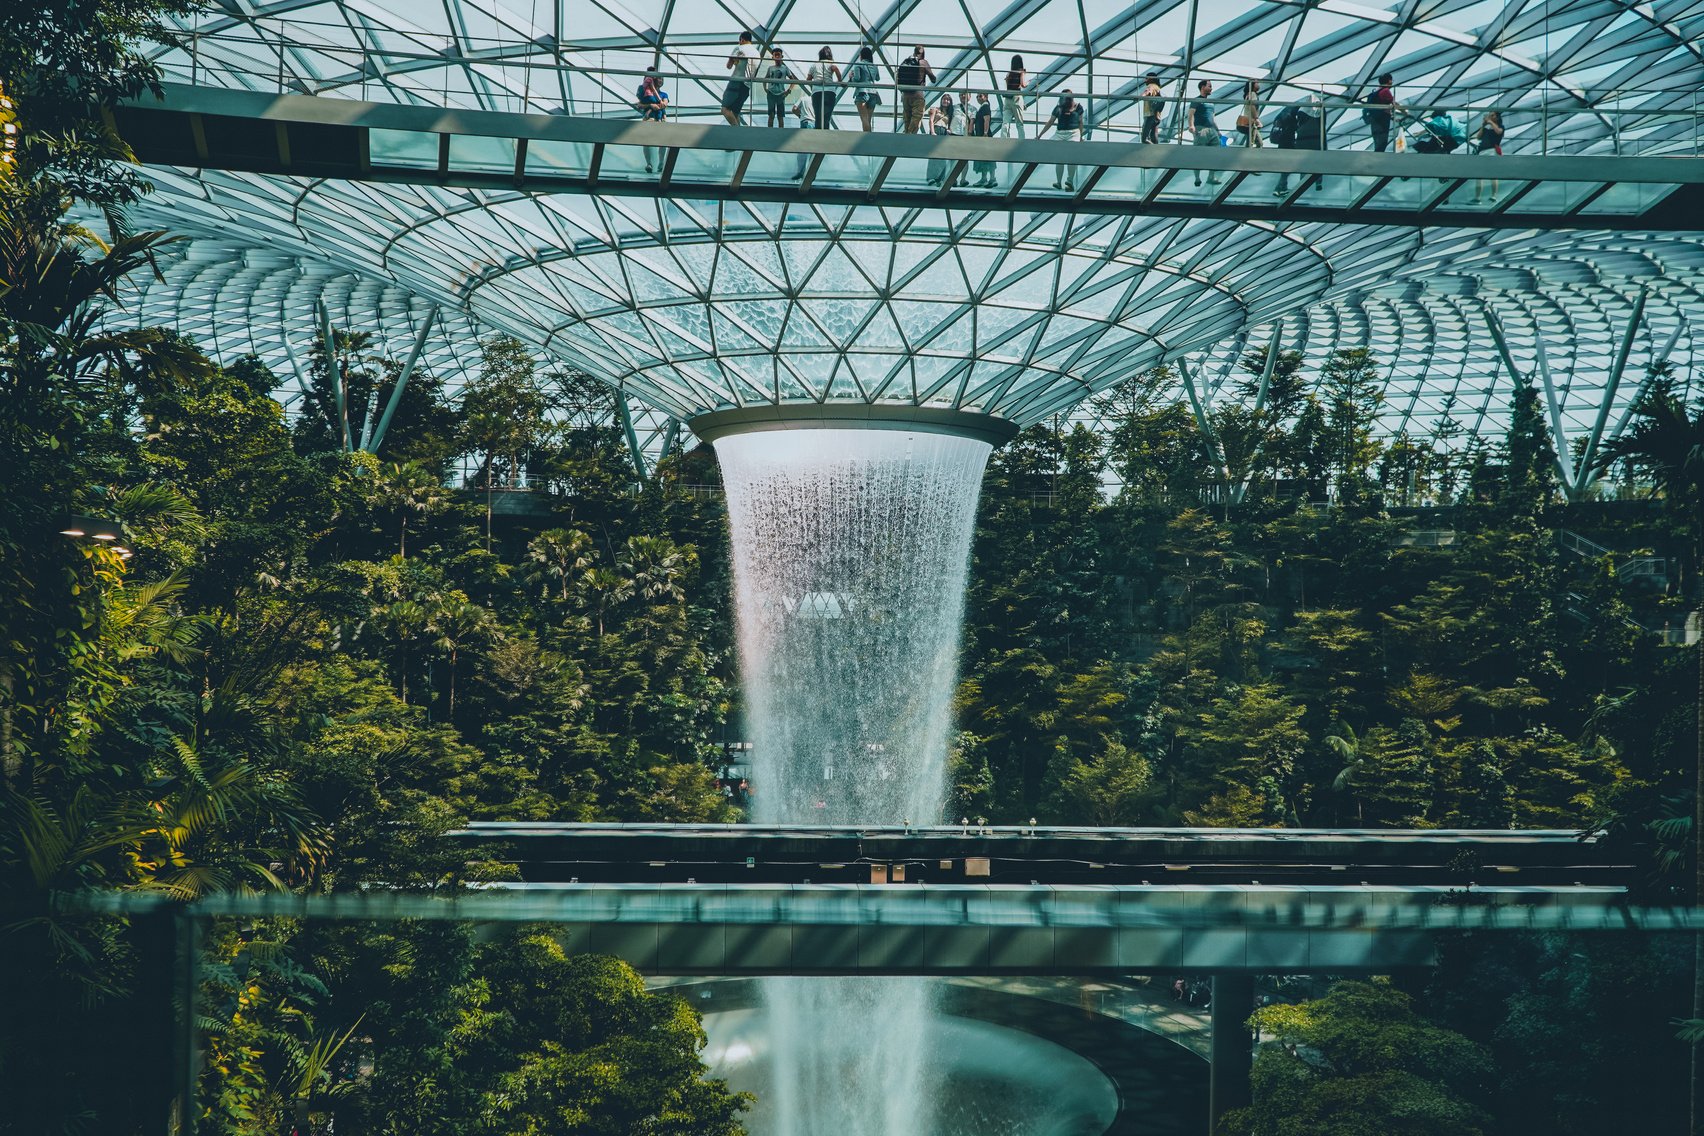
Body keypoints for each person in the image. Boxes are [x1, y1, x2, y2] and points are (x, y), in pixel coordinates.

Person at [1039, 89, 1084, 190]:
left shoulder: (1078, 107)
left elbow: (1080, 122)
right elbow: (1050, 121)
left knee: (1072, 157)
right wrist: (1040, 135)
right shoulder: (1059, 108)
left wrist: (1081, 136)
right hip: (1060, 133)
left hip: (1073, 133)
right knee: (1059, 159)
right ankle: (1059, 182)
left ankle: (1070, 181)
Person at [1188, 78, 1223, 186]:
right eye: (1209, 86)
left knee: (1215, 153)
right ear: (1203, 87)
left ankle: (1211, 177)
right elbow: (1191, 114)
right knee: (1199, 153)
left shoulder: (1211, 103)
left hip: (1212, 130)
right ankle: (1197, 178)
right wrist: (1191, 126)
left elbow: (1213, 118)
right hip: (1200, 128)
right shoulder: (1196, 100)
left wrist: (1218, 131)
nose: (1211, 88)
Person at [897, 45, 936, 134]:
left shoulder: (906, 61)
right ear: (923, 53)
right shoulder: (923, 62)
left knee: (907, 118)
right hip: (917, 94)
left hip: (905, 94)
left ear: (914, 51)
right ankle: (910, 136)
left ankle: (906, 135)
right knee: (917, 117)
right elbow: (933, 79)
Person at [635, 71, 668, 173]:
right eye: (659, 79)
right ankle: (649, 163)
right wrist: (650, 105)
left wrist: (655, 105)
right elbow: (639, 105)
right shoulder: (647, 92)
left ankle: (661, 163)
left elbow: (665, 104)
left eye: (662, 79)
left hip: (659, 119)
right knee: (646, 141)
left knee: (663, 141)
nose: (660, 81)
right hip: (650, 118)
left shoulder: (663, 94)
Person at [723, 31, 758, 125]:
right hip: (747, 85)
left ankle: (736, 131)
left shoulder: (739, 48)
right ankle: (739, 132)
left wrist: (734, 61)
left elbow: (729, 66)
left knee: (725, 109)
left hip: (736, 81)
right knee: (735, 112)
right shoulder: (757, 53)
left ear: (742, 39)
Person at [925, 92, 961, 185]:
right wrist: (932, 132)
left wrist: (948, 130)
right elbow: (931, 121)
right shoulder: (935, 109)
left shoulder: (949, 113)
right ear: (941, 100)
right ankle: (931, 177)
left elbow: (949, 123)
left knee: (943, 156)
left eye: (948, 100)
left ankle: (940, 178)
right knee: (933, 155)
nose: (946, 101)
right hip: (936, 130)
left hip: (944, 132)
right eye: (944, 99)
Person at [1472, 110, 1504, 202]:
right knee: (1479, 175)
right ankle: (1477, 197)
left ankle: (1493, 195)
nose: (1490, 117)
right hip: (1482, 151)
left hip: (1492, 151)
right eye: (1490, 116)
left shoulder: (1500, 127)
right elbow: (1478, 137)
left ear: (1497, 117)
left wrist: (1490, 122)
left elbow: (1498, 132)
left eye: (1492, 115)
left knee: (1492, 174)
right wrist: (1483, 125)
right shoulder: (1487, 129)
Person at [848, 46, 881, 132]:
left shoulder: (859, 64)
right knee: (868, 119)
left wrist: (851, 77)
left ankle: (866, 139)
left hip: (862, 92)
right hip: (873, 93)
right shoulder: (874, 66)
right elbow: (877, 78)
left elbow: (857, 78)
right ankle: (869, 138)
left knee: (864, 119)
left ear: (861, 55)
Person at [809, 46, 842, 129]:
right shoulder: (831, 64)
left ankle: (817, 136)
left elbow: (808, 79)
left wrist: (812, 87)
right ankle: (825, 134)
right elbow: (836, 69)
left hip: (816, 92)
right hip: (829, 92)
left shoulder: (814, 65)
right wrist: (840, 81)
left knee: (818, 116)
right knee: (827, 116)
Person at [1363, 72, 1396, 152]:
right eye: (1391, 80)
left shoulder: (1377, 90)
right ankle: (1376, 160)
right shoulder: (1385, 91)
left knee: (1378, 141)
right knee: (1382, 142)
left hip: (1375, 118)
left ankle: (1376, 158)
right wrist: (1406, 112)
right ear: (1389, 81)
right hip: (1382, 120)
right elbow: (1394, 104)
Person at [789, 88, 816, 179]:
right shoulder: (817, 100)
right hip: (815, 124)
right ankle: (811, 173)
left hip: (806, 123)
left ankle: (800, 172)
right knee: (813, 149)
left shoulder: (803, 99)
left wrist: (800, 115)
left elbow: (794, 109)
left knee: (803, 149)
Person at [763, 48, 794, 128]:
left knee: (780, 116)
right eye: (775, 55)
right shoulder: (770, 68)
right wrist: (765, 88)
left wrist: (789, 90)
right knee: (771, 115)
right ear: (772, 57)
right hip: (771, 94)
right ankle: (770, 133)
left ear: (782, 56)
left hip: (781, 94)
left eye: (778, 55)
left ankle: (780, 133)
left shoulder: (785, 68)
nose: (777, 57)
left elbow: (792, 80)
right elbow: (765, 79)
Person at [971, 91, 996, 187]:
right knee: (985, 157)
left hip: (984, 136)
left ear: (986, 97)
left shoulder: (985, 107)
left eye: (980, 96)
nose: (978, 98)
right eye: (977, 96)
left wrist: (985, 133)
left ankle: (990, 178)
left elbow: (987, 119)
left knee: (988, 157)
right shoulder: (983, 107)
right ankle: (986, 178)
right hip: (982, 136)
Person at [1003, 54, 1027, 137]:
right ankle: (1021, 140)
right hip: (1016, 97)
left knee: (1006, 122)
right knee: (1019, 123)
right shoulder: (1021, 72)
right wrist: (1028, 83)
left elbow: (1007, 86)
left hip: (1007, 98)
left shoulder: (1009, 73)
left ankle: (1003, 139)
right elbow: (1023, 84)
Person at [1238, 79, 1262, 147]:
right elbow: (1252, 105)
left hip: (1248, 122)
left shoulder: (1248, 94)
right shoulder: (1252, 93)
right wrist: (1256, 119)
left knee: (1251, 142)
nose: (1258, 84)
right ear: (1252, 85)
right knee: (1257, 143)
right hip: (1251, 122)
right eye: (1257, 83)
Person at [1141, 73, 1164, 143]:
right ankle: (1156, 149)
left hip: (1150, 114)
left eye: (1146, 78)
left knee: (1144, 138)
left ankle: (1150, 150)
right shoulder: (1158, 87)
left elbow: (1147, 91)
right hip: (1156, 115)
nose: (1145, 80)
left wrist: (1142, 96)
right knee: (1153, 136)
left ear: (1150, 79)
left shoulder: (1151, 86)